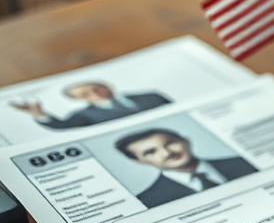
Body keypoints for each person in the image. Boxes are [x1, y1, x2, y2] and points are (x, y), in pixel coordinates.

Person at [115, 128, 256, 209]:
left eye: (170, 144)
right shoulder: (148, 201)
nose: (167, 153)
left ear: (186, 141)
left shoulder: (244, 162)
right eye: (151, 152)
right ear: (138, 160)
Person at [10, 82, 170, 129]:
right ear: (79, 99)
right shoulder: (85, 116)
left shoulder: (151, 96)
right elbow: (62, 125)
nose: (95, 94)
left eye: (96, 88)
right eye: (86, 94)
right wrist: (39, 113)